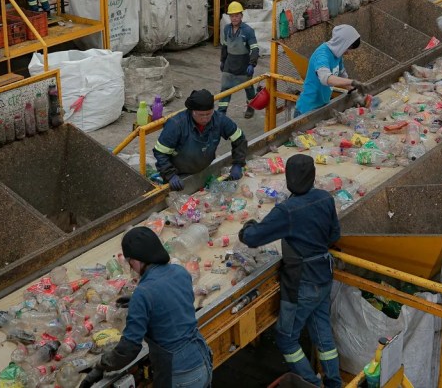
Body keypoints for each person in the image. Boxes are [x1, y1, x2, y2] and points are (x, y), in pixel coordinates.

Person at [239, 154, 341, 388]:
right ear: (313, 176)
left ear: (288, 178)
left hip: (303, 282)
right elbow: (334, 235)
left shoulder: (287, 210)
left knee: (286, 338)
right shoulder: (325, 198)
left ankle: (308, 382)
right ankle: (334, 383)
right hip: (324, 275)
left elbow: (253, 238)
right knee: (322, 333)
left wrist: (247, 227)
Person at [79, 227, 212, 388]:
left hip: (179, 373)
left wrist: (101, 365)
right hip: (202, 358)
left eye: (130, 263)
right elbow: (176, 305)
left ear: (135, 260)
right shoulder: (180, 271)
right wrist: (141, 302)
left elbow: (129, 349)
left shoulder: (143, 293)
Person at [153, 89, 248, 191]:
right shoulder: (176, 125)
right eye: (201, 115)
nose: (205, 119)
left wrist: (238, 163)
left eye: (208, 114)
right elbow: (160, 152)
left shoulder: (219, 120)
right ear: (192, 111)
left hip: (205, 169)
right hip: (179, 175)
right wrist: (170, 175)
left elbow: (239, 138)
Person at [295, 25, 369, 117]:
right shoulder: (322, 55)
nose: (348, 52)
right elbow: (325, 78)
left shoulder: (338, 55)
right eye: (348, 47)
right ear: (341, 43)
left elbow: (343, 77)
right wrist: (353, 82)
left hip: (322, 106)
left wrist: (357, 95)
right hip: (307, 110)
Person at [219, 2, 260, 119]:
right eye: (232, 16)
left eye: (237, 15)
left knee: (248, 88)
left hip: (244, 64)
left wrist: (252, 64)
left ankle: (251, 107)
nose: (234, 18)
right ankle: (221, 112)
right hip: (229, 63)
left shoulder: (248, 31)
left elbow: (255, 49)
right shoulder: (227, 29)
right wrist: (223, 60)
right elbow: (225, 46)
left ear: (241, 16)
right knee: (225, 88)